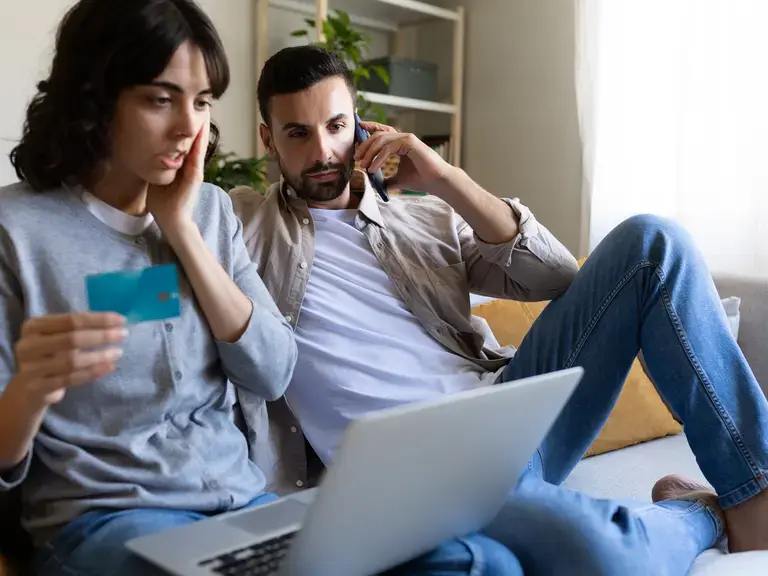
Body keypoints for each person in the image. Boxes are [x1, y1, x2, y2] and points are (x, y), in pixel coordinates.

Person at [230, 44, 768, 576]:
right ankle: (698, 511)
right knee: (608, 559)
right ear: (268, 141)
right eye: (298, 132)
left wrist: (446, 180)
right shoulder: (234, 225)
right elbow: (146, 284)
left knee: (654, 243)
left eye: (335, 126)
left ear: (361, 126)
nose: (322, 150)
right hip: (416, 480)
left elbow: (557, 277)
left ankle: (755, 493)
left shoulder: (426, 219)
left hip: (513, 415)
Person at [0, 1, 303, 575]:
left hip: (243, 504)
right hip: (108, 520)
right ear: (93, 97)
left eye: (203, 101)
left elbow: (273, 371)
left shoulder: (211, 211)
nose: (189, 127)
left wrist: (182, 231)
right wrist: (32, 389)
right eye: (160, 99)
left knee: (474, 560)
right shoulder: (16, 232)